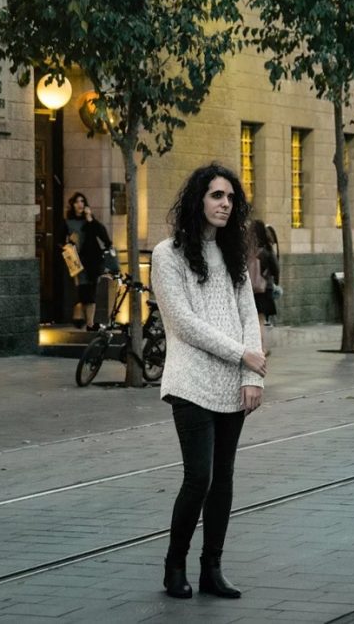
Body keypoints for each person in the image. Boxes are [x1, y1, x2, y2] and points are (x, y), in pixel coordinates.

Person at [151, 162, 266, 600]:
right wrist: (241, 354)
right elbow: (183, 323)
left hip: (232, 386)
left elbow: (248, 316)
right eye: (217, 195)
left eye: (231, 197)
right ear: (197, 200)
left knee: (223, 480)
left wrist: (252, 375)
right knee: (199, 477)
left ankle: (211, 568)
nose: (225, 204)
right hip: (190, 381)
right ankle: (174, 565)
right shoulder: (168, 254)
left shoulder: (232, 253)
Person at [63, 192, 113, 330]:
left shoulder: (90, 221)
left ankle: (89, 323)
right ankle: (79, 314)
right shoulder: (68, 222)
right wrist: (69, 243)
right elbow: (61, 241)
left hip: (92, 261)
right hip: (75, 260)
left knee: (90, 291)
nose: (80, 204)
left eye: (82, 201)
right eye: (77, 202)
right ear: (73, 205)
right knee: (82, 290)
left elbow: (103, 235)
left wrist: (90, 219)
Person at [250, 220, 280, 352]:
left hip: (251, 289)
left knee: (254, 320)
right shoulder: (267, 251)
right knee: (260, 320)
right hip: (264, 289)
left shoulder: (249, 251)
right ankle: (262, 348)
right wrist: (275, 282)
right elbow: (275, 269)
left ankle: (256, 347)